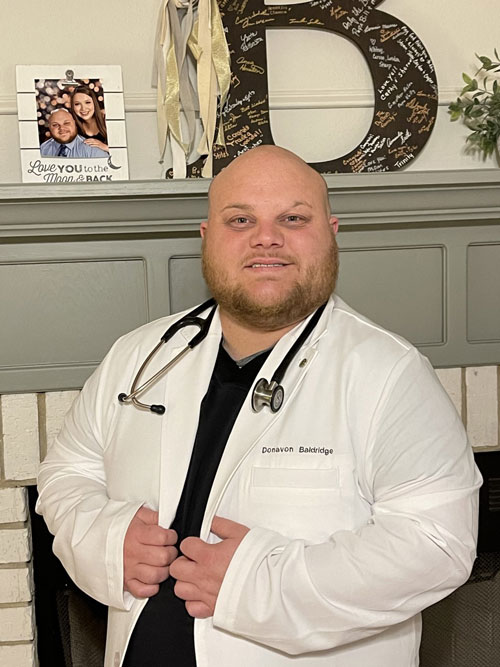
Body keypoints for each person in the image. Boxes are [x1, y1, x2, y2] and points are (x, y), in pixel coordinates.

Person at [36, 145, 481, 667]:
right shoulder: (139, 355)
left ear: (332, 233)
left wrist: (257, 583)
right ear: (207, 238)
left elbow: (438, 543)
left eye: (293, 218)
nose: (266, 237)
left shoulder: (389, 373)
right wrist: (106, 539)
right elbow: (67, 473)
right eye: (240, 219)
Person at [40, 108, 108, 158]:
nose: (62, 128)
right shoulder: (43, 149)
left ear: (75, 123)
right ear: (49, 127)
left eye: (66, 123)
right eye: (55, 125)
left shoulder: (93, 150)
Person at [70, 84, 109, 153]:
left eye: (87, 102)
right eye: (77, 104)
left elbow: (122, 150)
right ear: (73, 107)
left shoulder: (107, 118)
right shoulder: (73, 126)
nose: (83, 108)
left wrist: (104, 147)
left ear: (94, 103)